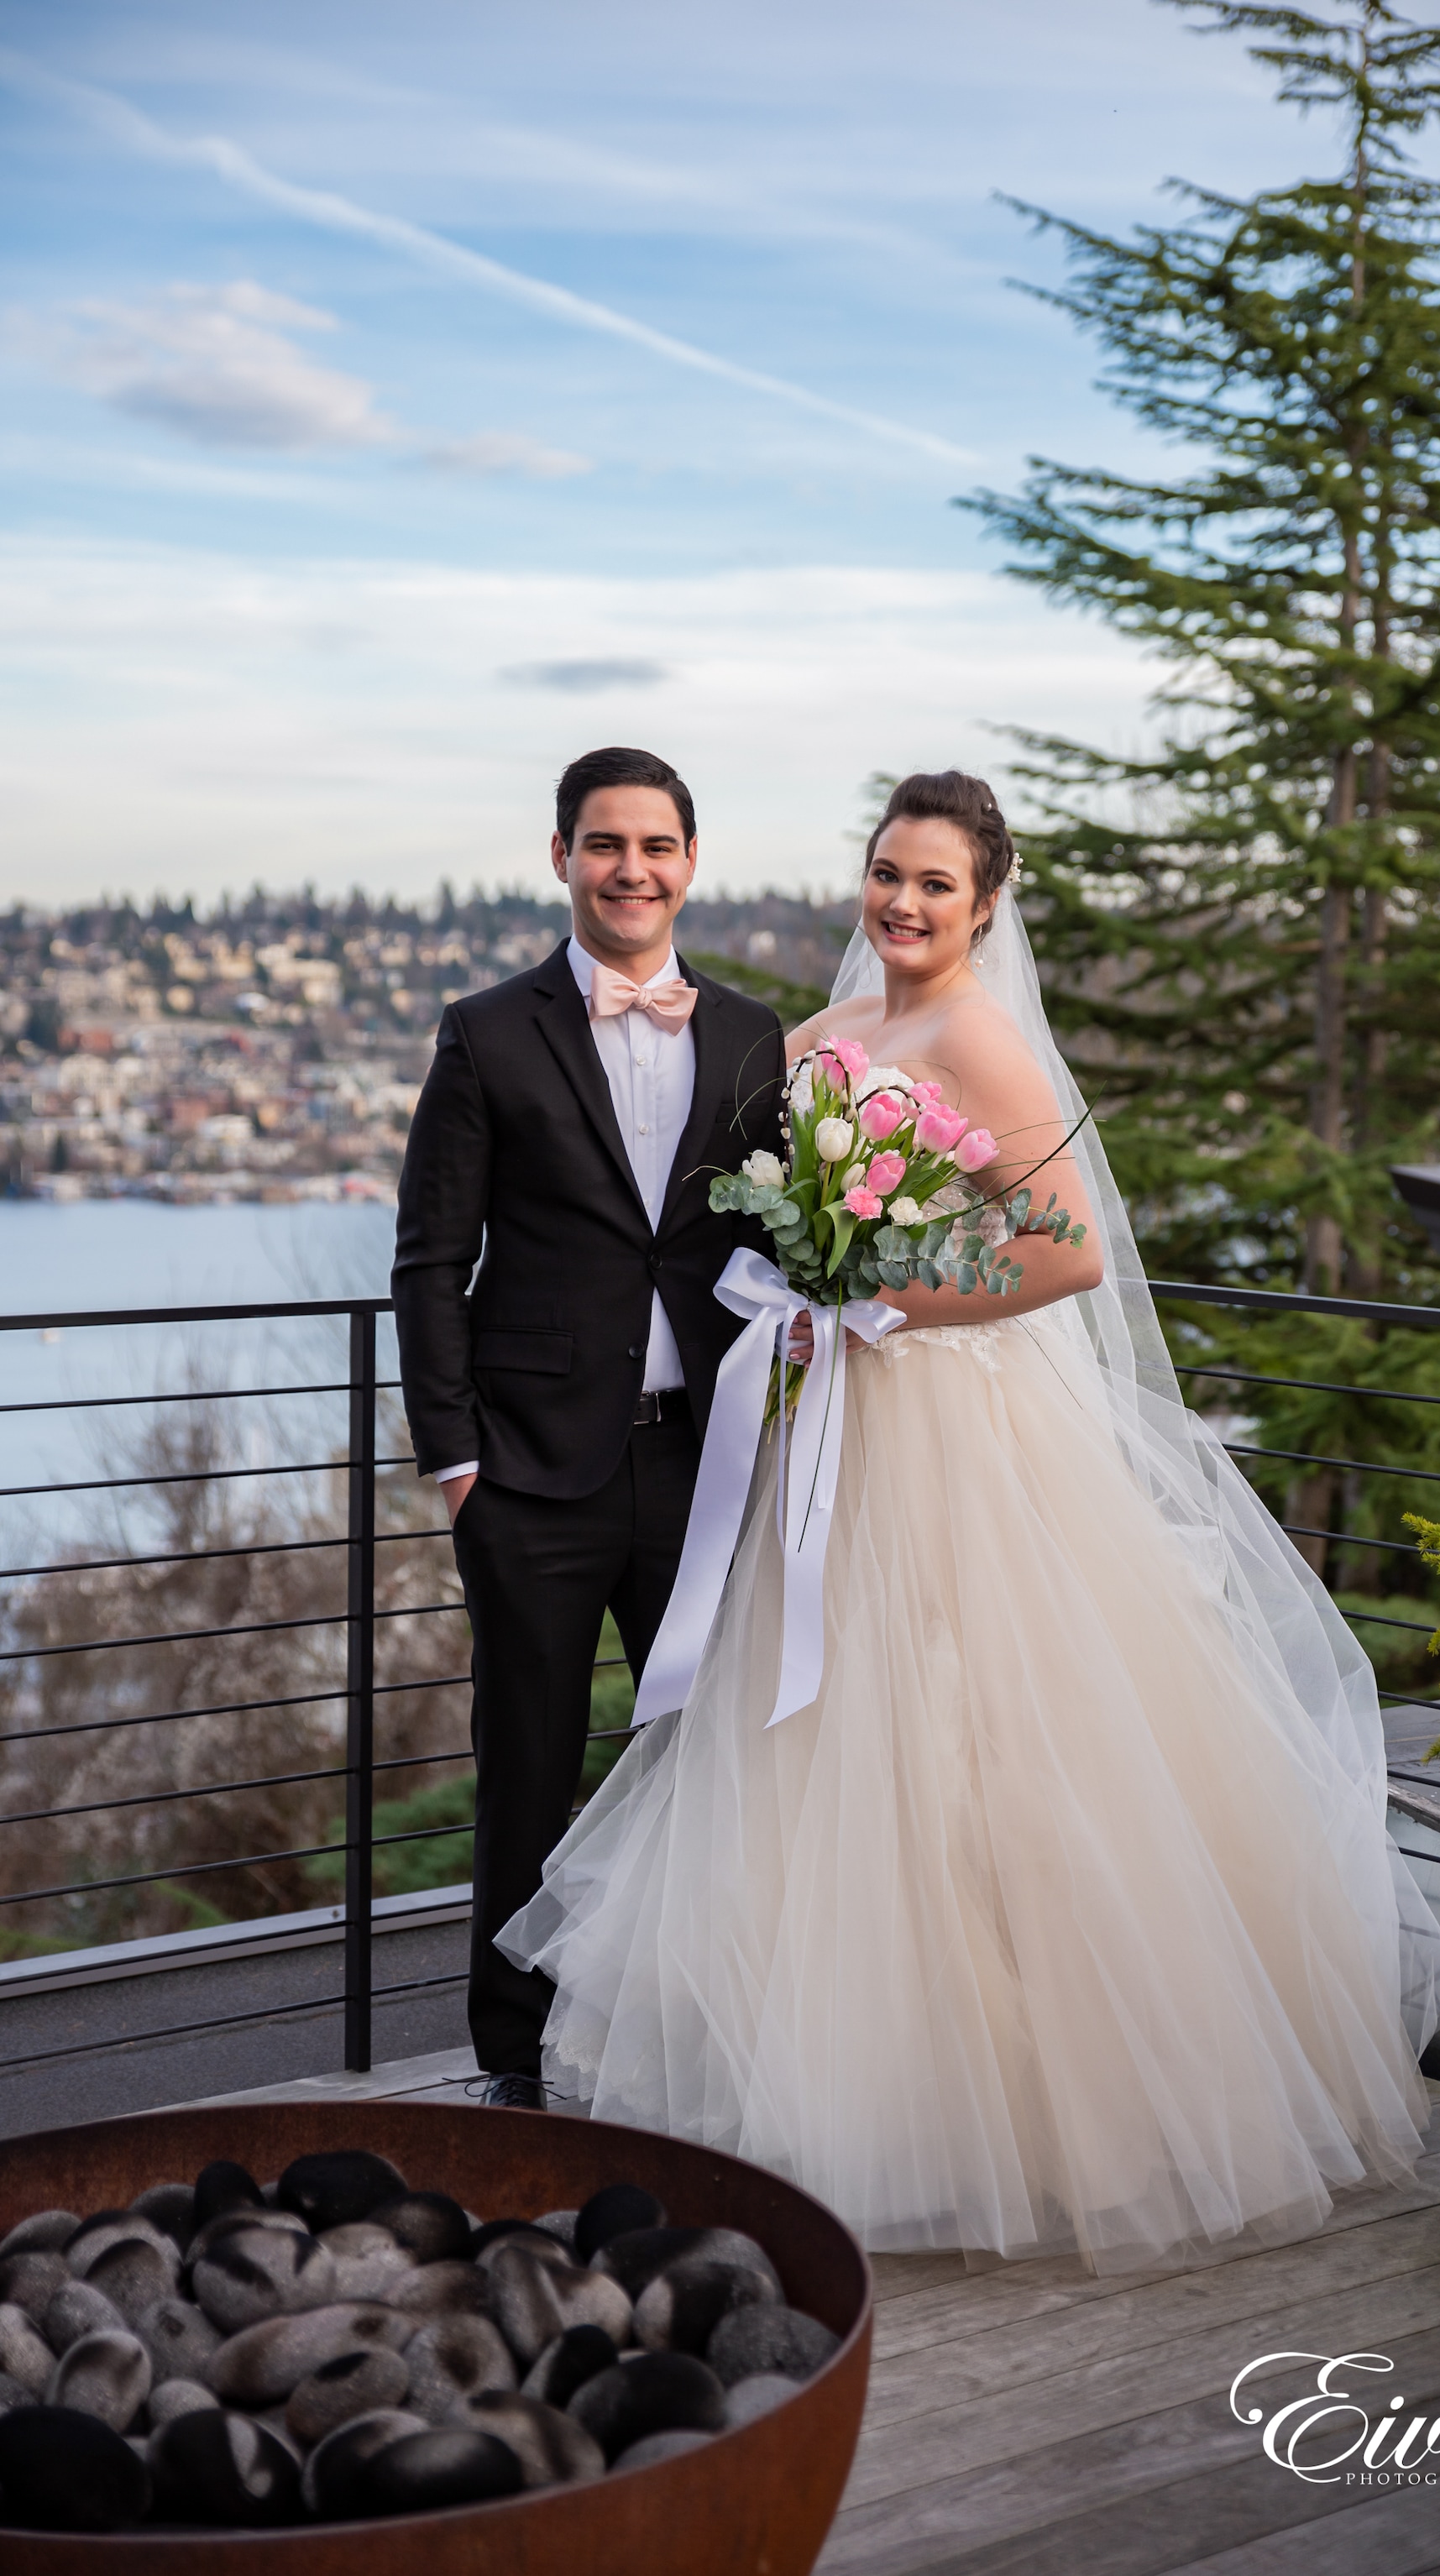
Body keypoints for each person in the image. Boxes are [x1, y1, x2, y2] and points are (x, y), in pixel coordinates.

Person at [500, 770, 1440, 2261]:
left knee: (985, 1748)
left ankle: (1041, 2112)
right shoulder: (823, 1036)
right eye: (887, 873)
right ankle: (852, 2093)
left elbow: (1069, 1254)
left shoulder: (977, 1036)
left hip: (960, 1432)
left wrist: (886, 1294)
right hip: (830, 1436)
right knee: (820, 1752)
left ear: (986, 902)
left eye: (935, 884)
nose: (901, 902)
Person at [392, 745, 785, 2108]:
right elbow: (429, 1261)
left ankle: (687, 2041)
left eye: (657, 846)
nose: (633, 870)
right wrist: (458, 1466)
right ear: (561, 856)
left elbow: (776, 1245)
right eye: (606, 845)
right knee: (529, 1777)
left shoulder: (751, 1036)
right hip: (532, 1480)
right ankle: (518, 2062)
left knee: (705, 1768)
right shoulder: (487, 1031)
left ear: (690, 861)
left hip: (703, 1467)